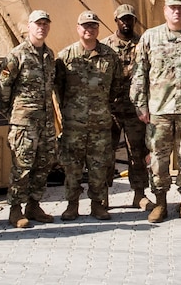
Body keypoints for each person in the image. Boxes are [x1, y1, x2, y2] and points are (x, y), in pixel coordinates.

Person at [131, 0, 181, 224]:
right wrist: (141, 105)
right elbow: (139, 73)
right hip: (159, 110)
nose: (177, 12)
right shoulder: (150, 37)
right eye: (172, 8)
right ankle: (161, 202)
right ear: (165, 10)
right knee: (158, 158)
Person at [55, 11, 122, 221]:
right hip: (74, 124)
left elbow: (116, 87)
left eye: (93, 26)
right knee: (72, 167)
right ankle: (72, 205)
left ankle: (98, 204)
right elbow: (59, 88)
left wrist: (103, 108)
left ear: (98, 29)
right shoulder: (65, 57)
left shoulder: (110, 56)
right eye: (85, 26)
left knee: (99, 166)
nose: (89, 29)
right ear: (77, 28)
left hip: (100, 124)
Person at [0, 9, 58, 228]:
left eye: (45, 24)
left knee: (44, 164)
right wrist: (15, 113)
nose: (41, 28)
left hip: (46, 121)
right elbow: (3, 87)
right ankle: (15, 209)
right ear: (29, 27)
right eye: (37, 24)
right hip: (24, 122)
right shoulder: (17, 55)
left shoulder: (49, 55)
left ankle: (34, 205)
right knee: (22, 165)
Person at [103, 4, 153, 211]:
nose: (126, 22)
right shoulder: (106, 46)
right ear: (116, 20)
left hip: (135, 110)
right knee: (105, 153)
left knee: (137, 153)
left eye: (130, 19)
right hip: (111, 109)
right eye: (122, 19)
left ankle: (139, 194)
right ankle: (102, 195)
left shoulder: (143, 43)